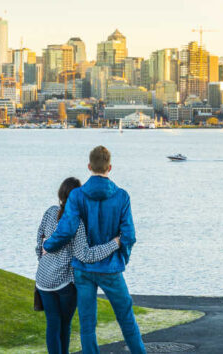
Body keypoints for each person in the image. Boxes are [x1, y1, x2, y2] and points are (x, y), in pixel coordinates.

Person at [43, 146, 146, 354]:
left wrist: (47, 245)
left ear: (89, 166)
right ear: (110, 167)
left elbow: (66, 230)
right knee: (126, 317)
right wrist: (121, 258)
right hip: (111, 269)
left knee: (87, 325)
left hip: (83, 270)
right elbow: (129, 236)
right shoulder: (122, 196)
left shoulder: (77, 196)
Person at [35, 177, 121, 354]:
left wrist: (45, 263)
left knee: (52, 324)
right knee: (64, 324)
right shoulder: (77, 223)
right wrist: (115, 243)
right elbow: (86, 255)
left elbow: (39, 243)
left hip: (42, 280)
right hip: (64, 283)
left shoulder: (50, 212)